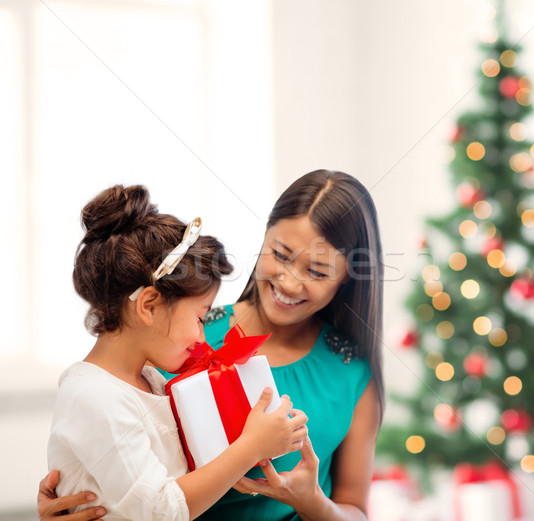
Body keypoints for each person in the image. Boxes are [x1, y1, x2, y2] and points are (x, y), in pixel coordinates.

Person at [38, 169, 384, 521]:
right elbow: (121, 463)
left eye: (318, 272)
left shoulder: (351, 370)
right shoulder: (176, 339)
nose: (290, 283)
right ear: (263, 239)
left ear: (346, 279)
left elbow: (354, 507)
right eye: (280, 255)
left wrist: (312, 501)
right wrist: (73, 491)